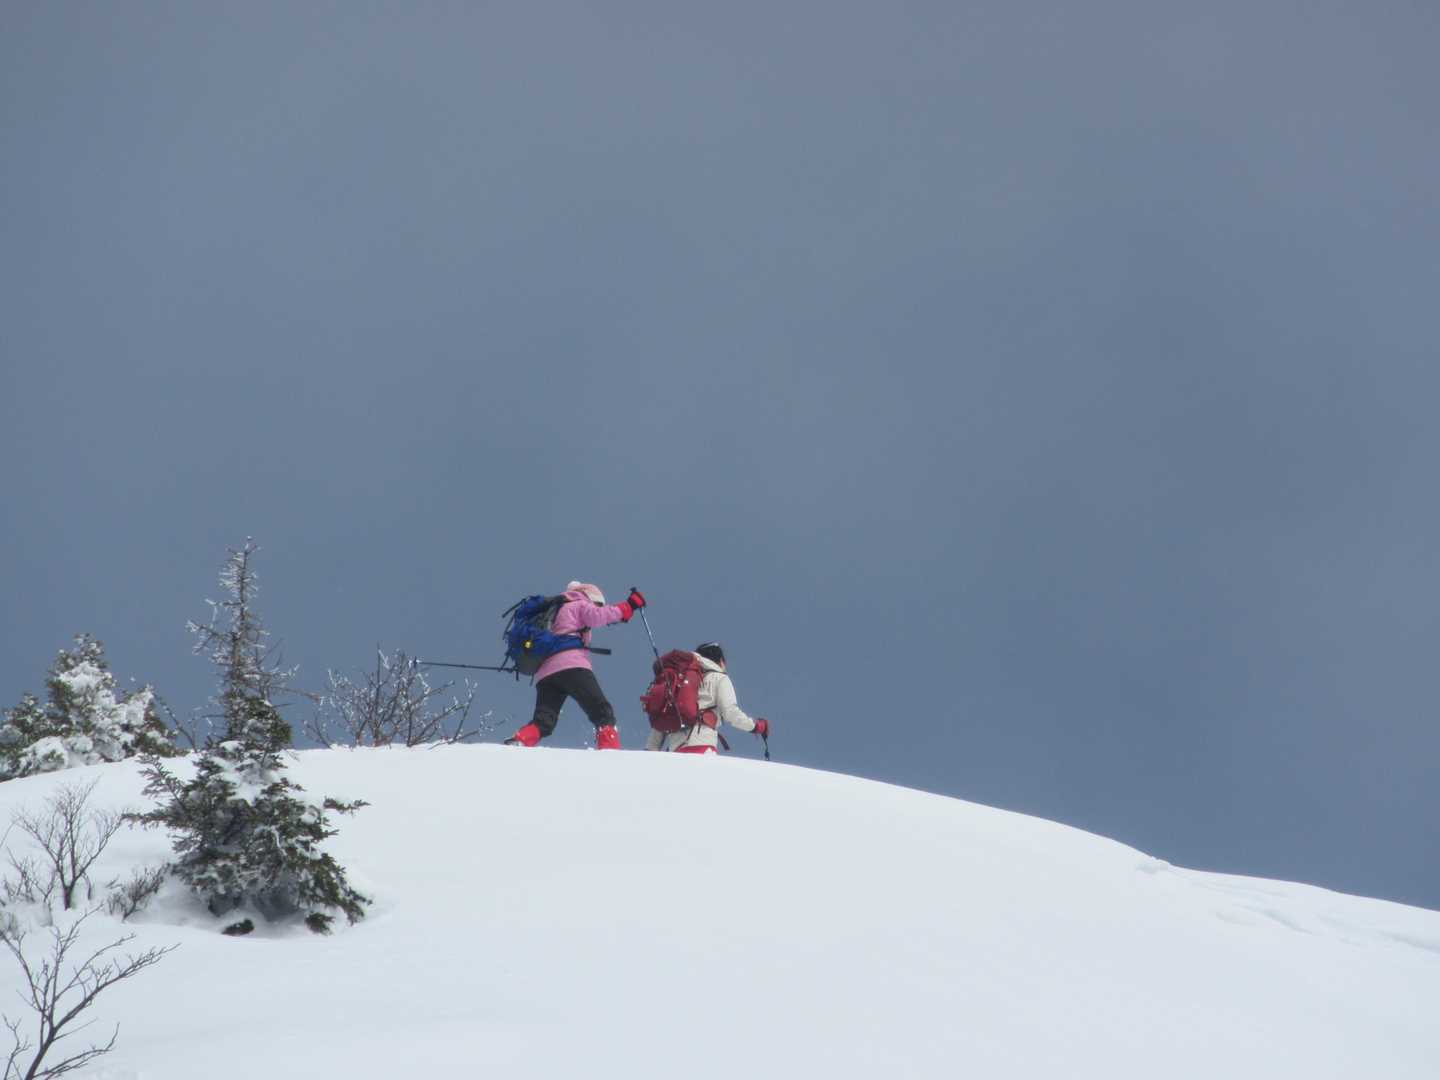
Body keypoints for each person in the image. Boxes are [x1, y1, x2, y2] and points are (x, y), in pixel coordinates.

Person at [504, 582, 646, 749]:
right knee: (602, 711)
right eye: (598, 604)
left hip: (545, 674)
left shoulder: (556, 609)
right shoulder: (578, 603)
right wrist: (629, 606)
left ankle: (520, 740)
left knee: (544, 720)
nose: (599, 607)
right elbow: (599, 616)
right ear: (590, 597)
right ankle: (610, 751)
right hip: (572, 666)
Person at [644, 642, 770, 754]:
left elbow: (663, 717)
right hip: (702, 746)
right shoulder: (719, 678)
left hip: (675, 751)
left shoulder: (680, 682)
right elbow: (730, 712)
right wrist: (756, 726)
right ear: (721, 661)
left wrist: (650, 750)